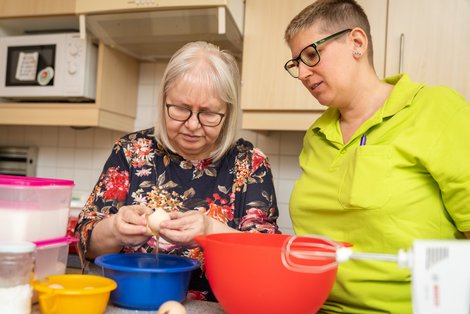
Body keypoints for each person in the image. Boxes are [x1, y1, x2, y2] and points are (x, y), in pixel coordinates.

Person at [284, 0, 470, 313]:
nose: (303, 73)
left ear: (356, 42)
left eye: (311, 55)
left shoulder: (437, 109)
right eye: (295, 64)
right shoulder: (316, 136)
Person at [75, 41, 280, 302]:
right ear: (164, 101)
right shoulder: (131, 151)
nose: (192, 125)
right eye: (181, 109)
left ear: (227, 113)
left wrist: (211, 230)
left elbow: (267, 257)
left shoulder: (249, 164)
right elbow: (86, 243)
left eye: (207, 113)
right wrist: (115, 228)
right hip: (132, 302)